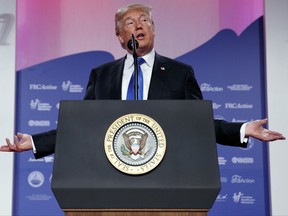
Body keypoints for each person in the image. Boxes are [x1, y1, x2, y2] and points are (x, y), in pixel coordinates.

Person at [0, 4, 285, 159]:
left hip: (167, 172)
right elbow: (82, 125)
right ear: (120, 37)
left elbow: (198, 122)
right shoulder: (101, 75)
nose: (138, 26)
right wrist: (36, 142)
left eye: (144, 21)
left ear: (153, 29)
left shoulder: (179, 72)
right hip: (110, 174)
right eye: (130, 23)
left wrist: (245, 128)